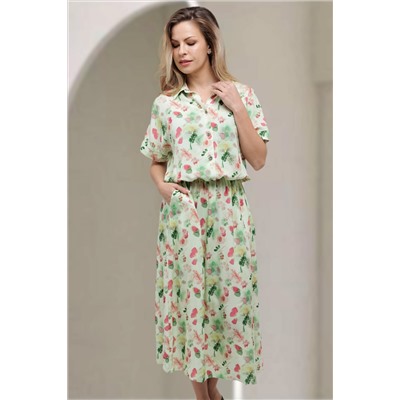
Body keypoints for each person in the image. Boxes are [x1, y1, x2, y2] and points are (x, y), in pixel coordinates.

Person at [139, 6, 270, 400]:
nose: (182, 51)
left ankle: (212, 396)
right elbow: (156, 161)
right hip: (185, 212)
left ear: (210, 44)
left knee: (226, 303)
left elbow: (258, 158)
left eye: (190, 42)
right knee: (191, 303)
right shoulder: (166, 104)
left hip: (228, 212)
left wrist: (237, 107)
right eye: (176, 44)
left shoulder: (242, 95)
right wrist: (163, 188)